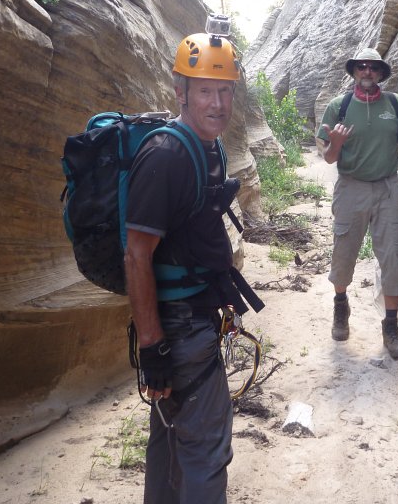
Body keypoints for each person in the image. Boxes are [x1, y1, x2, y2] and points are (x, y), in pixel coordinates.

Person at [124, 26, 262, 504]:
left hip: (193, 320)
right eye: (206, 90)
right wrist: (153, 347)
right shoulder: (166, 156)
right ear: (180, 92)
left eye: (225, 91)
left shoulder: (210, 149)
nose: (219, 103)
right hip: (177, 333)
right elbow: (136, 254)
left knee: (171, 438)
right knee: (205, 448)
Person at [316, 47, 398, 359]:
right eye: (361, 66)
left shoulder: (395, 104)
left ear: (380, 73)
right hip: (351, 188)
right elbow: (327, 157)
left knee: (393, 254)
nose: (367, 71)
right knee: (344, 252)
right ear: (353, 71)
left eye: (373, 67)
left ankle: (390, 328)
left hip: (388, 188)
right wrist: (335, 144)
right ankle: (341, 306)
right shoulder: (339, 107)